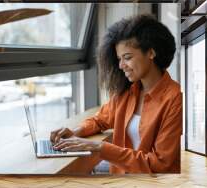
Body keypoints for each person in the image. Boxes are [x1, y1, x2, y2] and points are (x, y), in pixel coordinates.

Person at [50, 15, 182, 174]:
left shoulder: (174, 98)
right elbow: (100, 120)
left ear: (151, 53)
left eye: (127, 57)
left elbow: (160, 165)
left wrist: (100, 147)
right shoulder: (127, 91)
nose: (121, 66)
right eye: (119, 59)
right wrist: (75, 132)